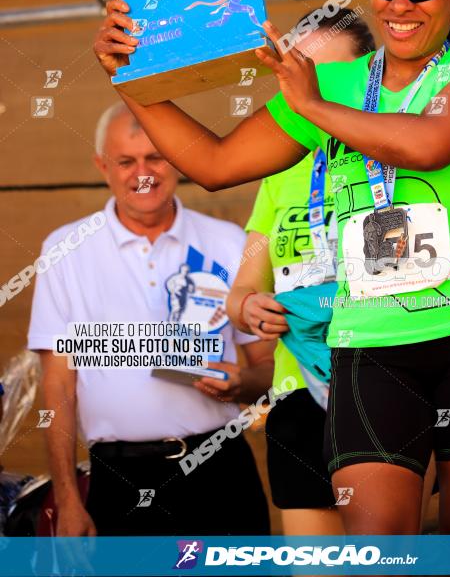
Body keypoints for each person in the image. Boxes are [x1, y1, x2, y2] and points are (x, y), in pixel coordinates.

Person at [93, 0, 450, 536]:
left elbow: (429, 143)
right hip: (368, 344)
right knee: (376, 553)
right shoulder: (333, 81)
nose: (402, 3)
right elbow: (215, 163)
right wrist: (130, 80)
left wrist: (310, 104)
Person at [27, 102, 272, 537]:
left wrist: (243, 385)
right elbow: (58, 386)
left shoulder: (229, 242)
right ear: (103, 166)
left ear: (176, 159)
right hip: (118, 480)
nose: (143, 173)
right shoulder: (64, 250)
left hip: (220, 469)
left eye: (156, 156)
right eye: (126, 161)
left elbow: (269, 368)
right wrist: (66, 497)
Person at [227, 8, 375, 536]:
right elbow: (243, 288)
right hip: (299, 393)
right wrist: (247, 307)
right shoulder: (278, 167)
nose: (309, 87)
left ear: (368, 76)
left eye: (328, 75)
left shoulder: (390, 154)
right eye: (299, 69)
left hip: (380, 383)